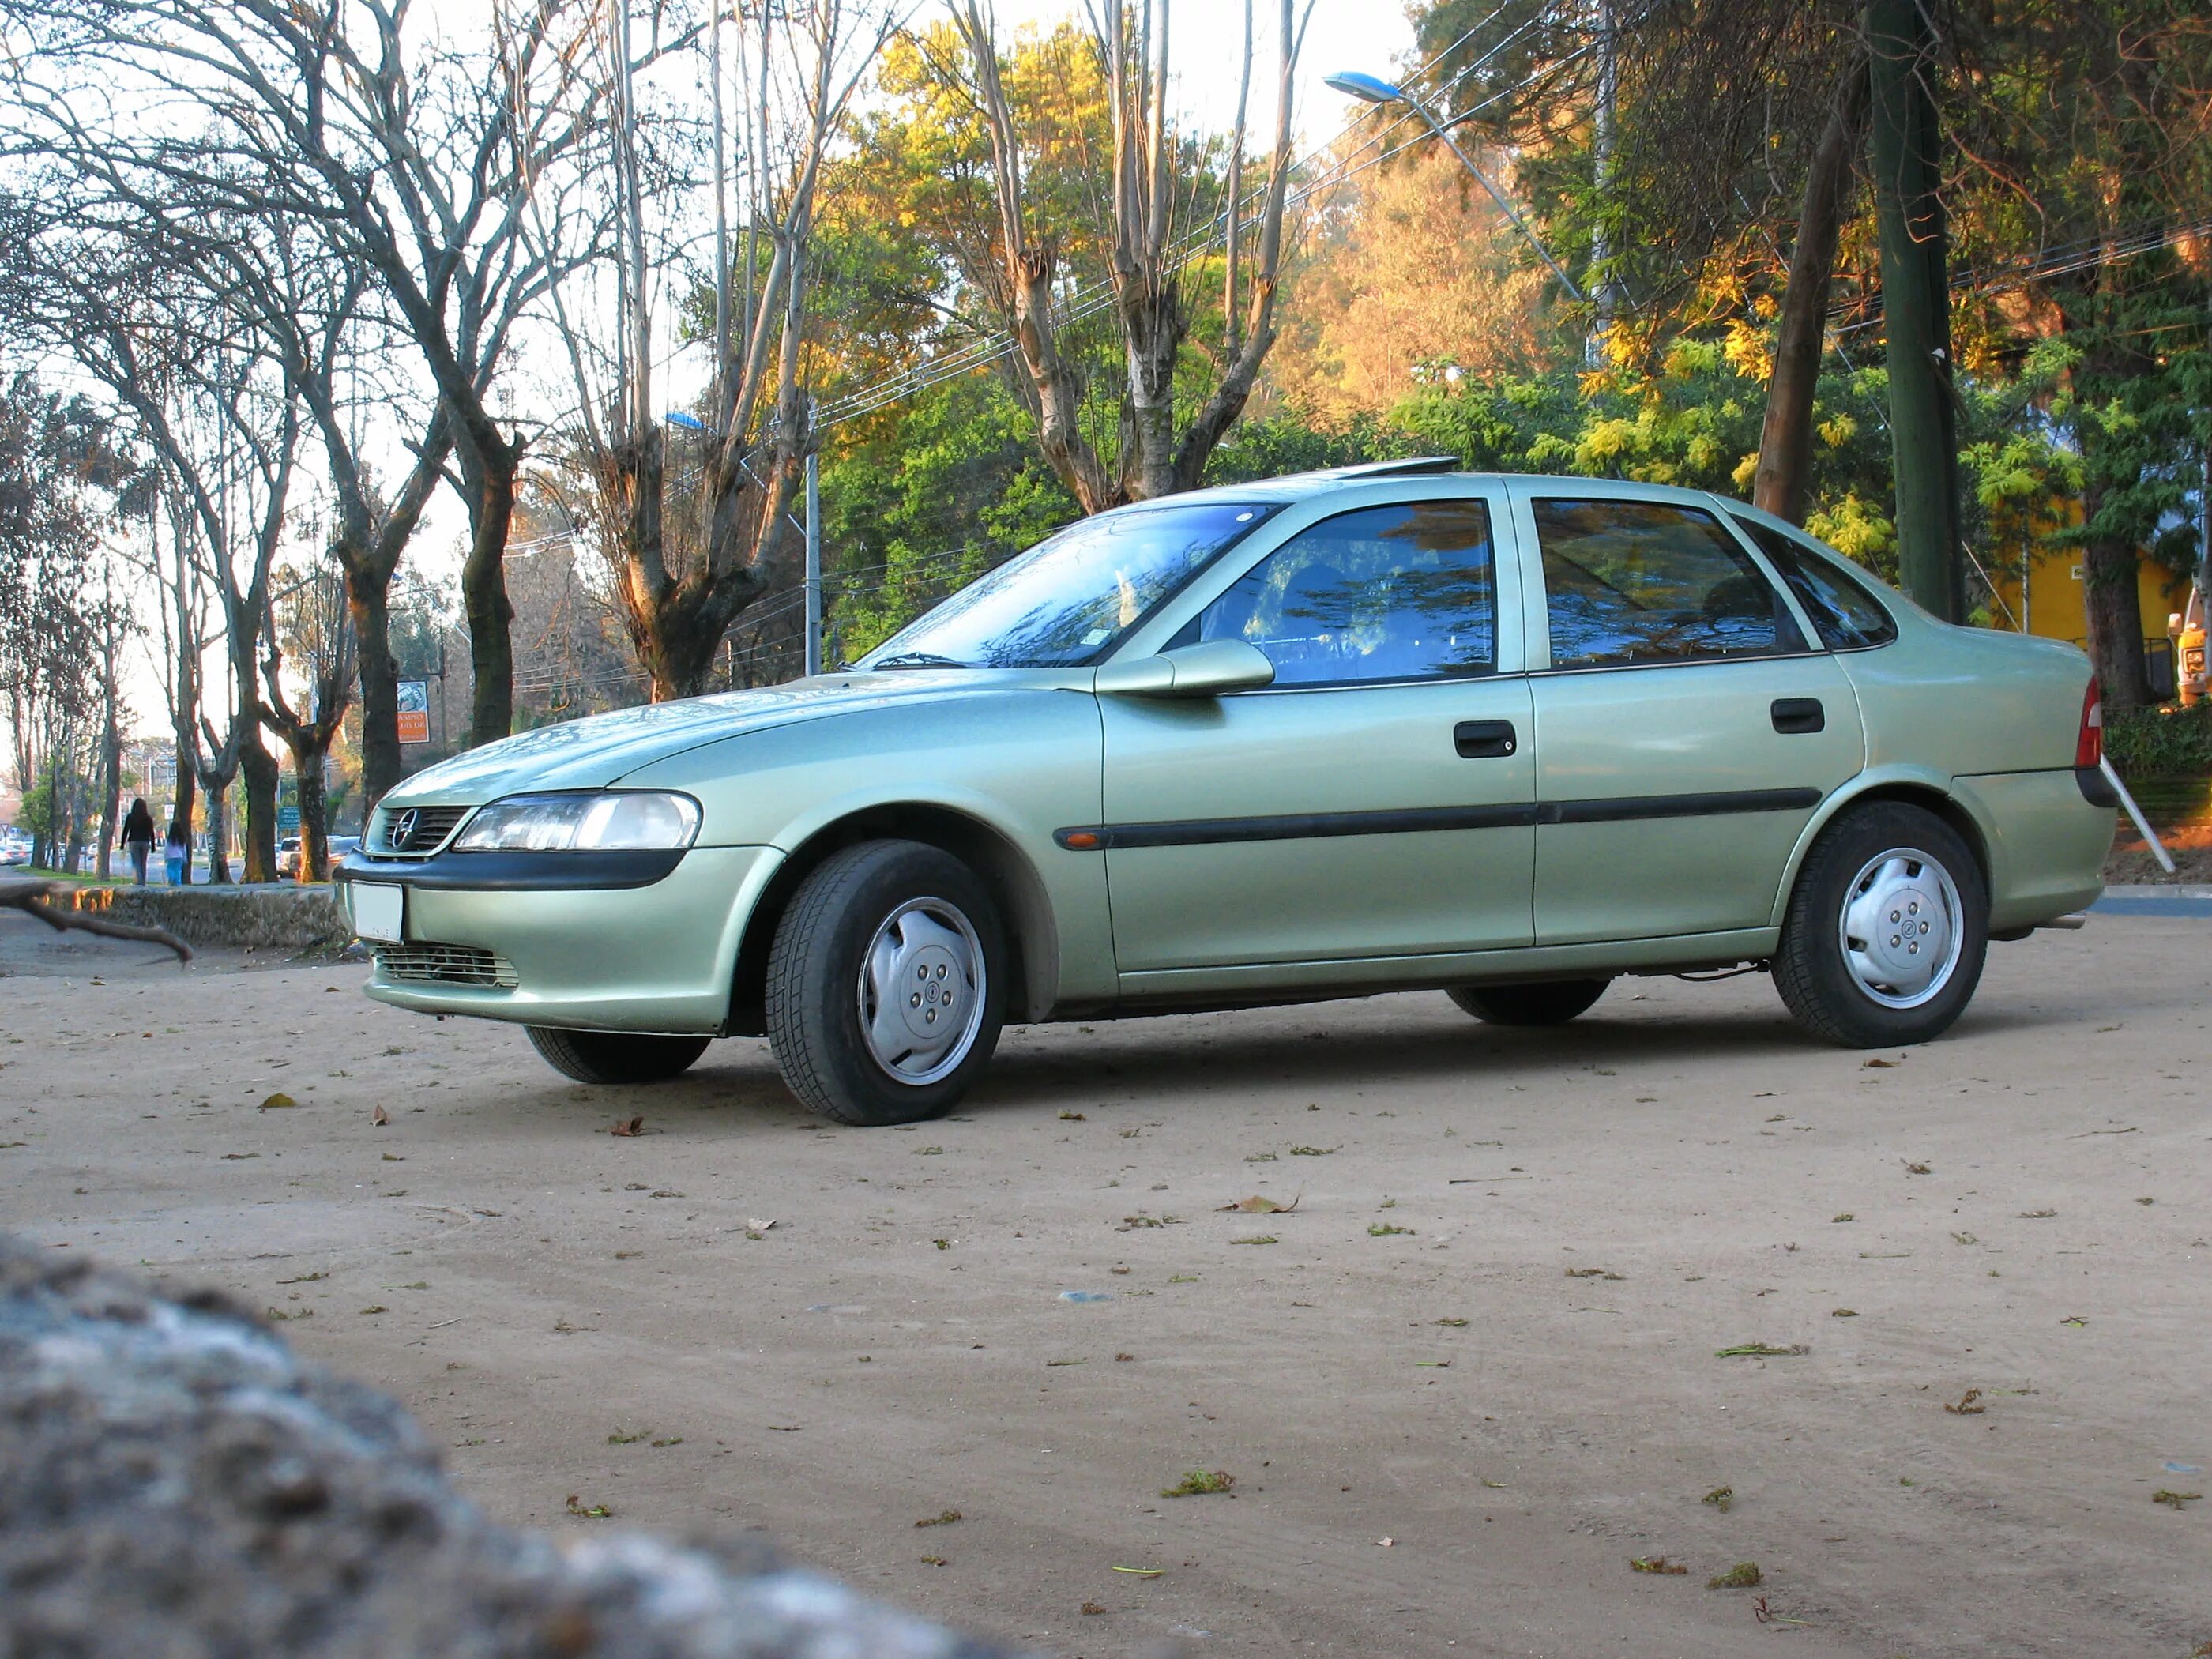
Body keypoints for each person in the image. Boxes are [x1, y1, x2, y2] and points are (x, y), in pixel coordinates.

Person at [120, 798, 156, 886]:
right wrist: (153, 845)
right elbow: (151, 832)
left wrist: (122, 843)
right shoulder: (148, 818)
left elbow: (126, 830)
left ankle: (138, 882)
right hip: (145, 842)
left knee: (136, 863)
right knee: (143, 863)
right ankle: (143, 882)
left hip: (134, 841)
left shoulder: (131, 817)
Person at [164, 814, 190, 886]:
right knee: (178, 870)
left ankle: (172, 879)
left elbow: (167, 848)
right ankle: (178, 883)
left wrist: (165, 857)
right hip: (179, 856)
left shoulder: (170, 839)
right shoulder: (182, 839)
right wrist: (185, 858)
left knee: (170, 868)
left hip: (170, 856)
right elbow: (184, 849)